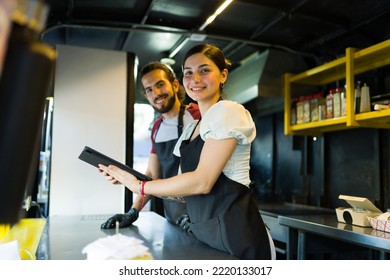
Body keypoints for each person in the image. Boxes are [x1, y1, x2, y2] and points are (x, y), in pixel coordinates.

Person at [99, 44, 272, 260]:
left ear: (223, 75)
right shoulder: (191, 129)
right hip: (205, 233)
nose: (195, 78)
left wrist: (138, 185)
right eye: (188, 73)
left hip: (236, 236)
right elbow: (180, 189)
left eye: (205, 70)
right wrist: (127, 185)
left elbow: (202, 181)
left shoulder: (229, 111)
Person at [100, 62, 200, 229]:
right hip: (173, 218)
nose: (156, 93)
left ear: (175, 85)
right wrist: (133, 212)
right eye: (149, 90)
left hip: (201, 217)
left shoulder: (197, 115)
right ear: (146, 96)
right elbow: (152, 175)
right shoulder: (156, 128)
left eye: (160, 85)